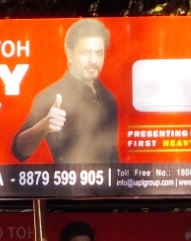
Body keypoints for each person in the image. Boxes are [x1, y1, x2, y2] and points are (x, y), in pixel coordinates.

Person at [11, 18, 119, 164]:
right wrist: (44, 125)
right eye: (86, 52)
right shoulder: (52, 96)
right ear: (69, 54)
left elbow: (112, 153)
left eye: (99, 53)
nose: (93, 60)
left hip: (112, 185)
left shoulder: (108, 98)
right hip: (70, 185)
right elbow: (19, 150)